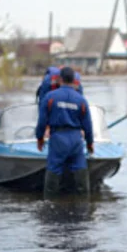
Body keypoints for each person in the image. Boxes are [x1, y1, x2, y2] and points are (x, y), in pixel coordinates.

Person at [36, 66, 94, 198]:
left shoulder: (50, 97)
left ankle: (50, 204)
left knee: (53, 170)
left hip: (58, 138)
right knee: (80, 171)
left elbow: (42, 122)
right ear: (74, 80)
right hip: (76, 139)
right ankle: (85, 206)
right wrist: (90, 143)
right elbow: (88, 125)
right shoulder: (81, 100)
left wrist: (39, 138)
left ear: (59, 79)